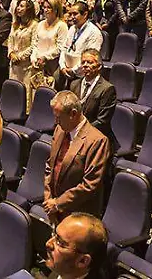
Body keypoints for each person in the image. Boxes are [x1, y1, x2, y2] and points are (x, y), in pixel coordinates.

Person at [44, 91, 110, 222]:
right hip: (54, 207)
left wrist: (58, 203)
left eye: (59, 117)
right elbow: (49, 166)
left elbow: (89, 185)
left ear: (73, 114)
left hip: (79, 214)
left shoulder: (97, 141)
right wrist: (48, 199)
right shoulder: (60, 129)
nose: (56, 122)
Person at [67, 50, 116, 145]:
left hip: (95, 138)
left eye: (89, 62)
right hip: (73, 134)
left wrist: (79, 132)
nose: (85, 65)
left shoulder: (107, 89)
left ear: (99, 66)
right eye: (83, 62)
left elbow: (102, 121)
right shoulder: (74, 84)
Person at [40, 213, 109, 279]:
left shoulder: (63, 268)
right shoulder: (63, 270)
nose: (48, 244)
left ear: (83, 261)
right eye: (54, 234)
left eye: (60, 242)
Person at [31, 0, 69, 107]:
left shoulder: (61, 25)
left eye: (49, 7)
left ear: (56, 9)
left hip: (53, 65)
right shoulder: (40, 24)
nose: (46, 10)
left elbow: (61, 47)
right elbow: (34, 43)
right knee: (37, 94)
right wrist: (34, 57)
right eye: (45, 7)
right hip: (38, 64)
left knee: (51, 97)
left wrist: (45, 57)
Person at [61, 1, 103, 88]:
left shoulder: (94, 32)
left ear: (85, 14)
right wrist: (62, 66)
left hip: (83, 73)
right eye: (70, 14)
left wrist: (73, 70)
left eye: (75, 14)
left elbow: (91, 58)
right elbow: (64, 48)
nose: (72, 17)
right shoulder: (72, 28)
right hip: (66, 70)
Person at [7, 0, 38, 105]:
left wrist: (19, 56)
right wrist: (11, 53)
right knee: (13, 91)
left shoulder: (34, 25)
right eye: (18, 6)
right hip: (14, 64)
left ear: (28, 9)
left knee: (25, 94)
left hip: (26, 66)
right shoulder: (15, 24)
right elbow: (10, 40)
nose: (18, 9)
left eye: (21, 6)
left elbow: (34, 45)